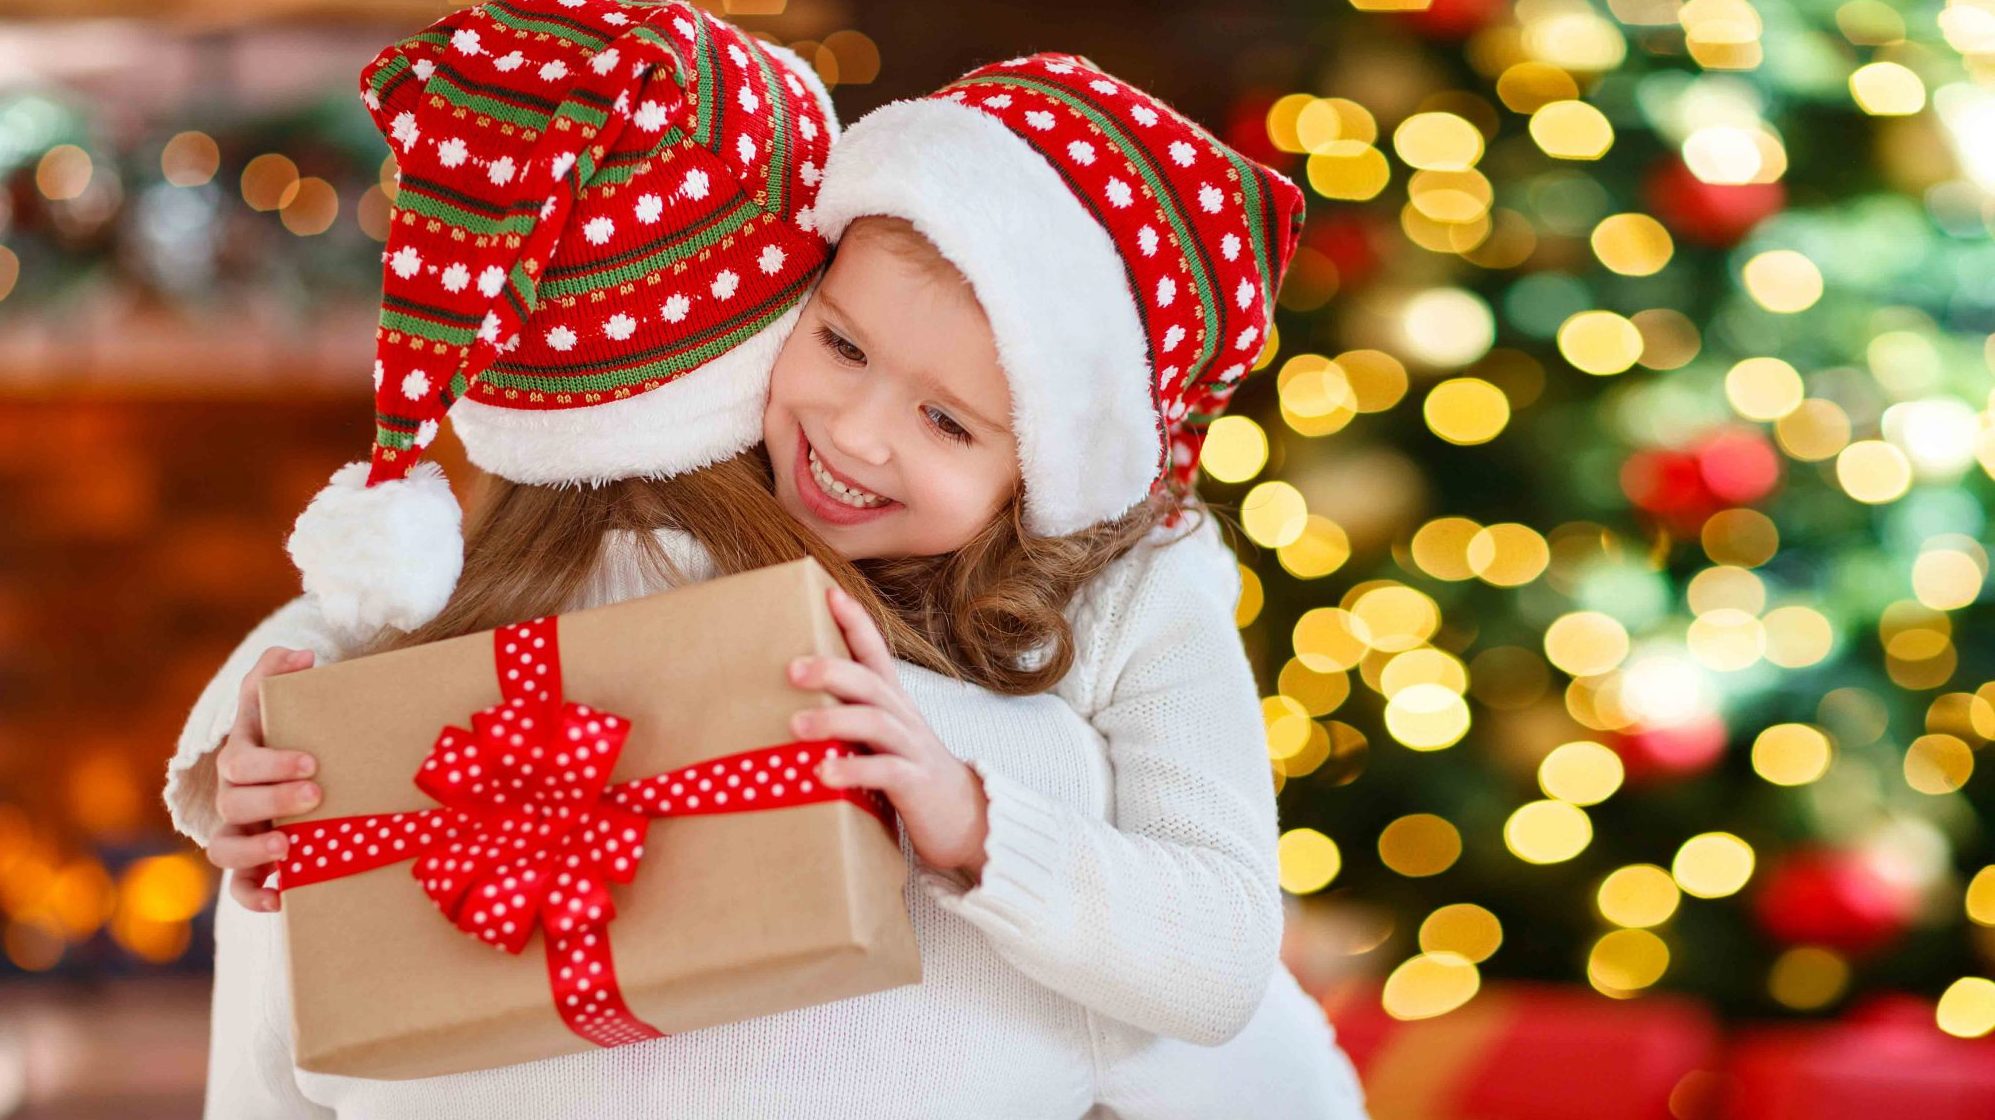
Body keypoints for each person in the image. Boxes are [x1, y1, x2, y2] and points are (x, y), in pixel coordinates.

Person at [170, 5, 1365, 1115]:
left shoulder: (1131, 596)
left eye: (948, 423)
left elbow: (1220, 957)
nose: (854, 432)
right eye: (841, 344)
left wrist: (973, 818)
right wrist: (245, 748)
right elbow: (363, 617)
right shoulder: (707, 475)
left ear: (1050, 468)